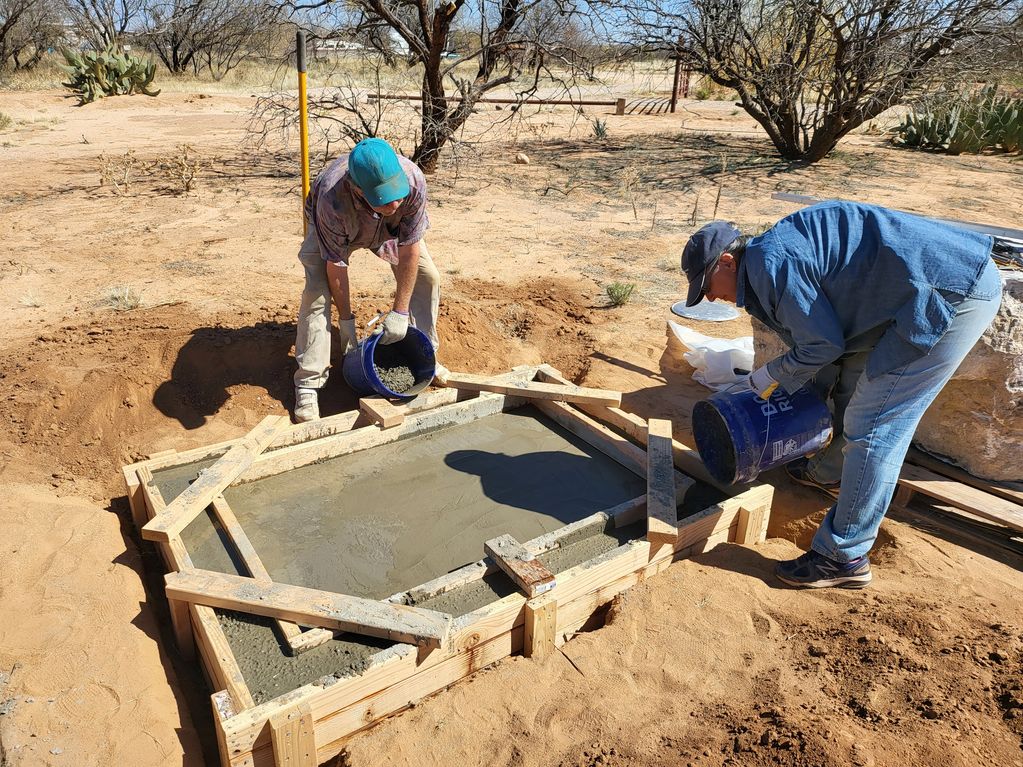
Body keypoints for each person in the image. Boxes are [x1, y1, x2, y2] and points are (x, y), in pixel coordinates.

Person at [681, 201, 1002, 589]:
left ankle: (843, 556)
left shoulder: (770, 264)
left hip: (949, 293)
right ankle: (830, 474)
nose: (712, 299)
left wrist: (769, 374)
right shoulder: (771, 256)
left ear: (728, 262)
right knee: (849, 378)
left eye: (707, 288)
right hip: (923, 284)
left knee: (875, 425)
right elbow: (834, 351)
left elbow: (821, 346)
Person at [293, 138, 448, 422]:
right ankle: (308, 384)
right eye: (385, 198)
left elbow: (410, 249)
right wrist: (347, 323)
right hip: (339, 227)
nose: (396, 202)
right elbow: (336, 267)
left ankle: (427, 355)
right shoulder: (332, 198)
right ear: (358, 189)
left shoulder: (413, 179)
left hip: (386, 229)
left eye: (397, 194)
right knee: (316, 294)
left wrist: (400, 312)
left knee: (428, 277)